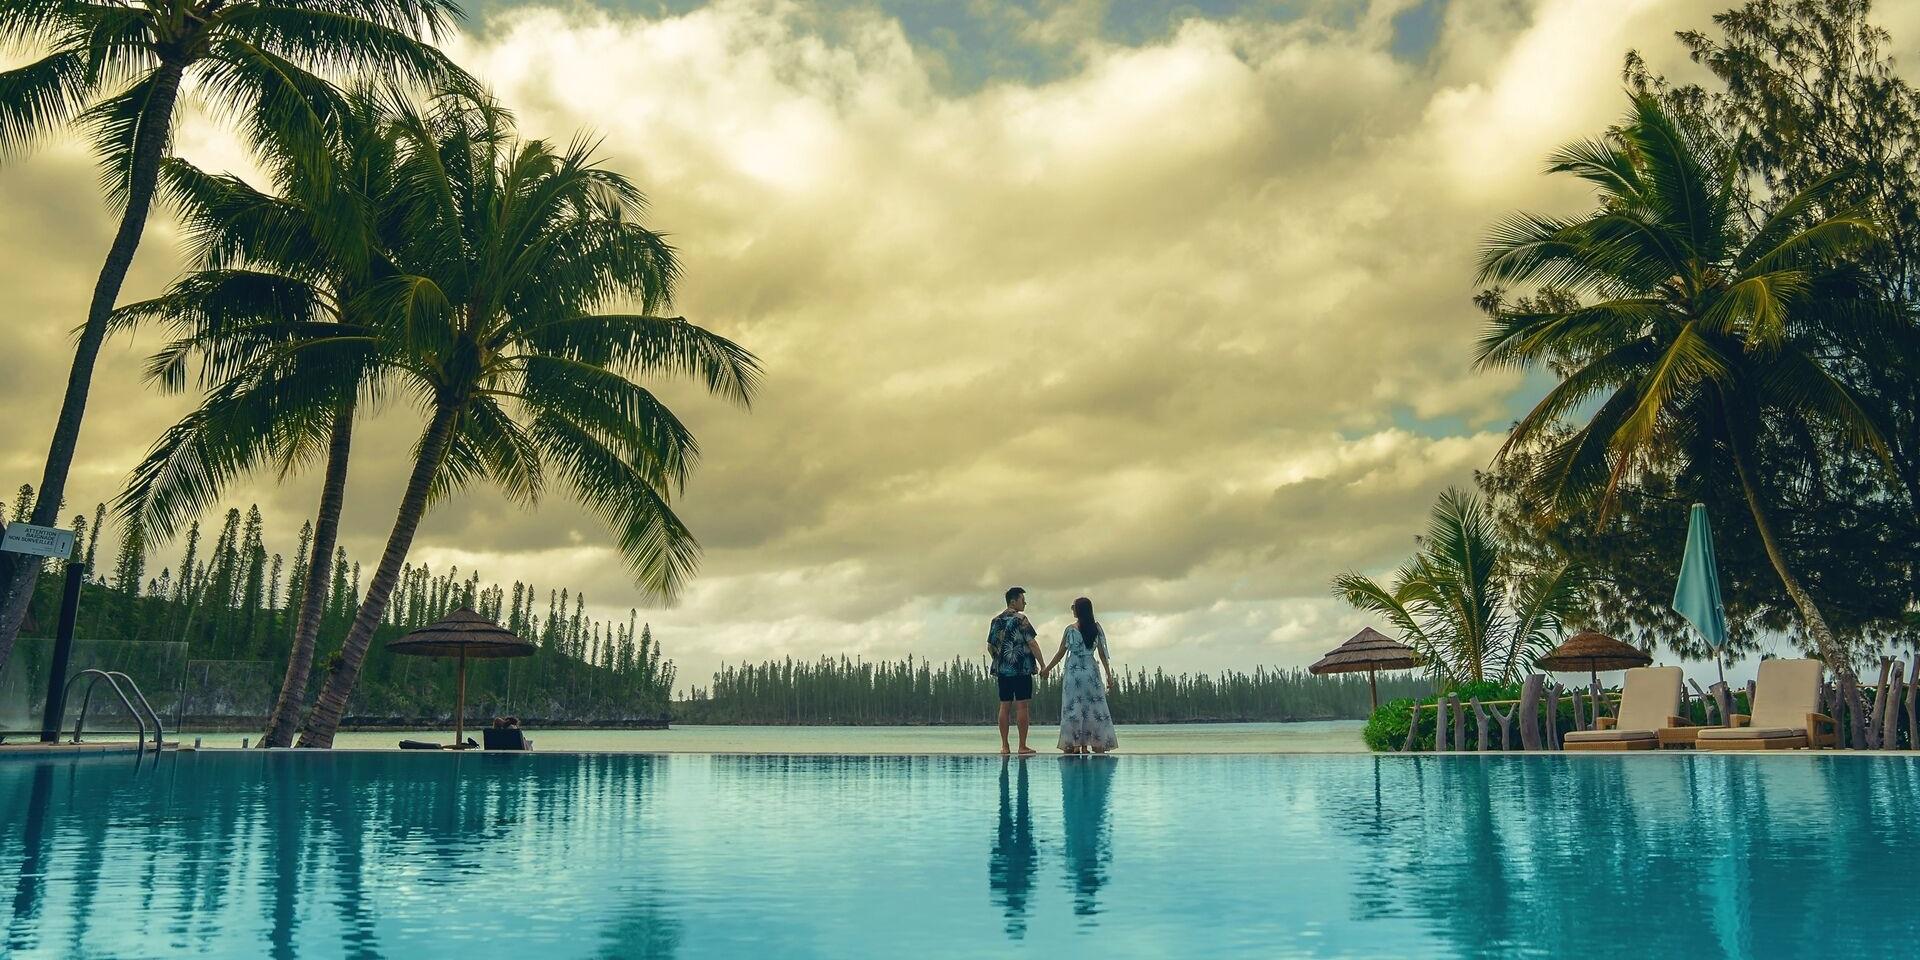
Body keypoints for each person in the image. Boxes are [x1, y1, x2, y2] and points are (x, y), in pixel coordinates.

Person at [1044, 596, 1117, 754]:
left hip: (1074, 672)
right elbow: (1103, 655)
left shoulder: (1070, 630)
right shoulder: (1096, 629)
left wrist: (1047, 668)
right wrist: (1108, 675)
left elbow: (1060, 653)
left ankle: (1075, 744)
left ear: (1079, 610)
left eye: (1073, 607)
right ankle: (1094, 742)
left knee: (1074, 708)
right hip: (1091, 671)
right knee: (1093, 707)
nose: (1072, 609)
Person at [988, 586, 1049, 755]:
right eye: (1023, 600)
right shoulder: (1021, 620)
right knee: (1022, 706)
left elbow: (990, 646)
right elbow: (1032, 643)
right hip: (1021, 669)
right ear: (1013, 601)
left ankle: (1005, 746)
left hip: (1003, 670)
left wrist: (999, 660)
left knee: (1004, 706)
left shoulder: (996, 621)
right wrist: (1043, 665)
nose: (1025, 603)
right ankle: (1022, 746)